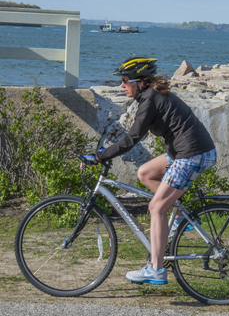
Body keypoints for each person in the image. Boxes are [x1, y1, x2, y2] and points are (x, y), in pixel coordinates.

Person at [82, 57, 217, 285]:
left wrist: (99, 156)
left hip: (192, 154)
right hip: (185, 152)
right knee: (145, 173)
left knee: (156, 207)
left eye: (125, 81)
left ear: (140, 81)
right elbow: (138, 131)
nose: (121, 86)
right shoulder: (150, 97)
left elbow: (132, 138)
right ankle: (182, 216)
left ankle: (156, 269)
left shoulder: (150, 100)